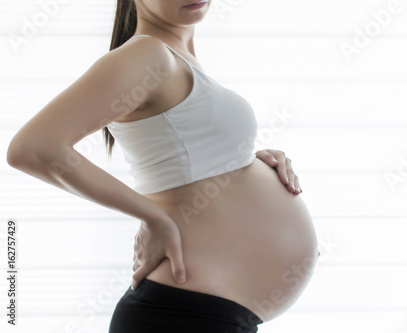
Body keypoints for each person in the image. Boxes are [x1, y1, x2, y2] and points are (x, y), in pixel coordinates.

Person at [6, 0, 319, 332]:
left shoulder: (176, 57)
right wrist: (153, 215)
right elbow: (33, 148)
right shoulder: (149, 56)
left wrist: (246, 160)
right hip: (178, 315)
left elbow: (187, 154)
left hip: (208, 313)